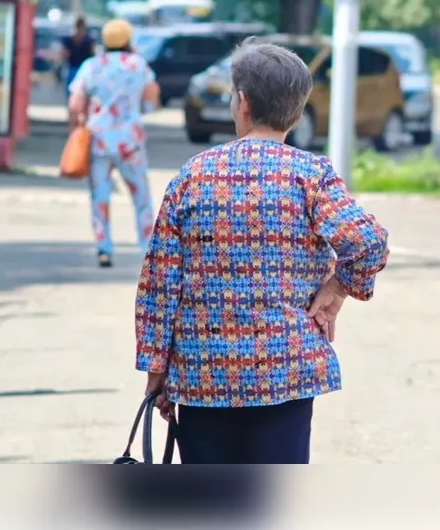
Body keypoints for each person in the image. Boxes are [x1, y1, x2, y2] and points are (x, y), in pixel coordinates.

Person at [135, 38, 390, 464]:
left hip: (204, 378)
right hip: (286, 373)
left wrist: (157, 370)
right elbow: (367, 242)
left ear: (243, 102)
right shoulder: (310, 175)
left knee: (210, 505)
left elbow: (160, 284)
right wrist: (338, 289)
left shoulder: (194, 176)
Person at [68, 19, 161, 269]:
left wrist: (76, 127)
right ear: (129, 40)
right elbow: (152, 96)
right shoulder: (138, 64)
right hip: (130, 142)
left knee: (100, 197)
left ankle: (104, 248)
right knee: (141, 197)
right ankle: (147, 249)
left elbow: (75, 102)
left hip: (98, 141)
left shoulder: (92, 66)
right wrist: (145, 108)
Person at [62, 17, 96, 97]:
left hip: (73, 68)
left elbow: (65, 55)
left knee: (71, 94)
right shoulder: (88, 40)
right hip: (83, 69)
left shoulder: (70, 39)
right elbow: (93, 55)